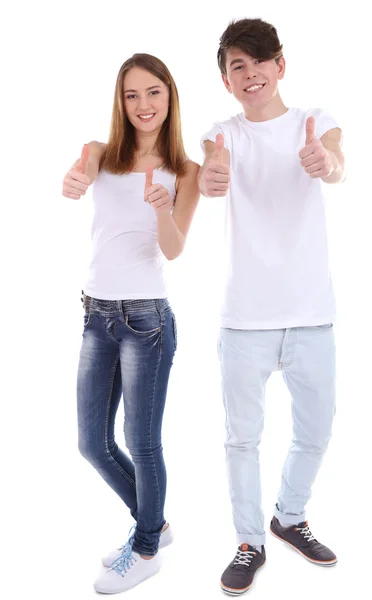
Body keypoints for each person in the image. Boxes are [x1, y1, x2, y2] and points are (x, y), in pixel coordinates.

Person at [198, 18, 345, 595]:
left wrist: (324, 164)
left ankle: (289, 515)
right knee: (242, 440)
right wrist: (212, 176)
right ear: (228, 81)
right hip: (244, 318)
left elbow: (335, 160)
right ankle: (249, 541)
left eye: (259, 60)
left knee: (317, 429)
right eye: (237, 65)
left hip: (311, 312)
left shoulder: (317, 122)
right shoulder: (224, 133)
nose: (250, 72)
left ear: (279, 65)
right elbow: (212, 168)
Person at [62, 53, 199, 594]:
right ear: (121, 103)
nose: (143, 105)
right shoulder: (101, 153)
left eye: (154, 93)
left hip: (147, 320)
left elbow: (175, 249)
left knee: (141, 442)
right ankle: (155, 524)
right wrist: (73, 181)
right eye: (132, 95)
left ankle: (145, 549)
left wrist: (164, 209)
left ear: (170, 97)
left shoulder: (185, 170)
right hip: (96, 314)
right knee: (92, 443)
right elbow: (79, 175)